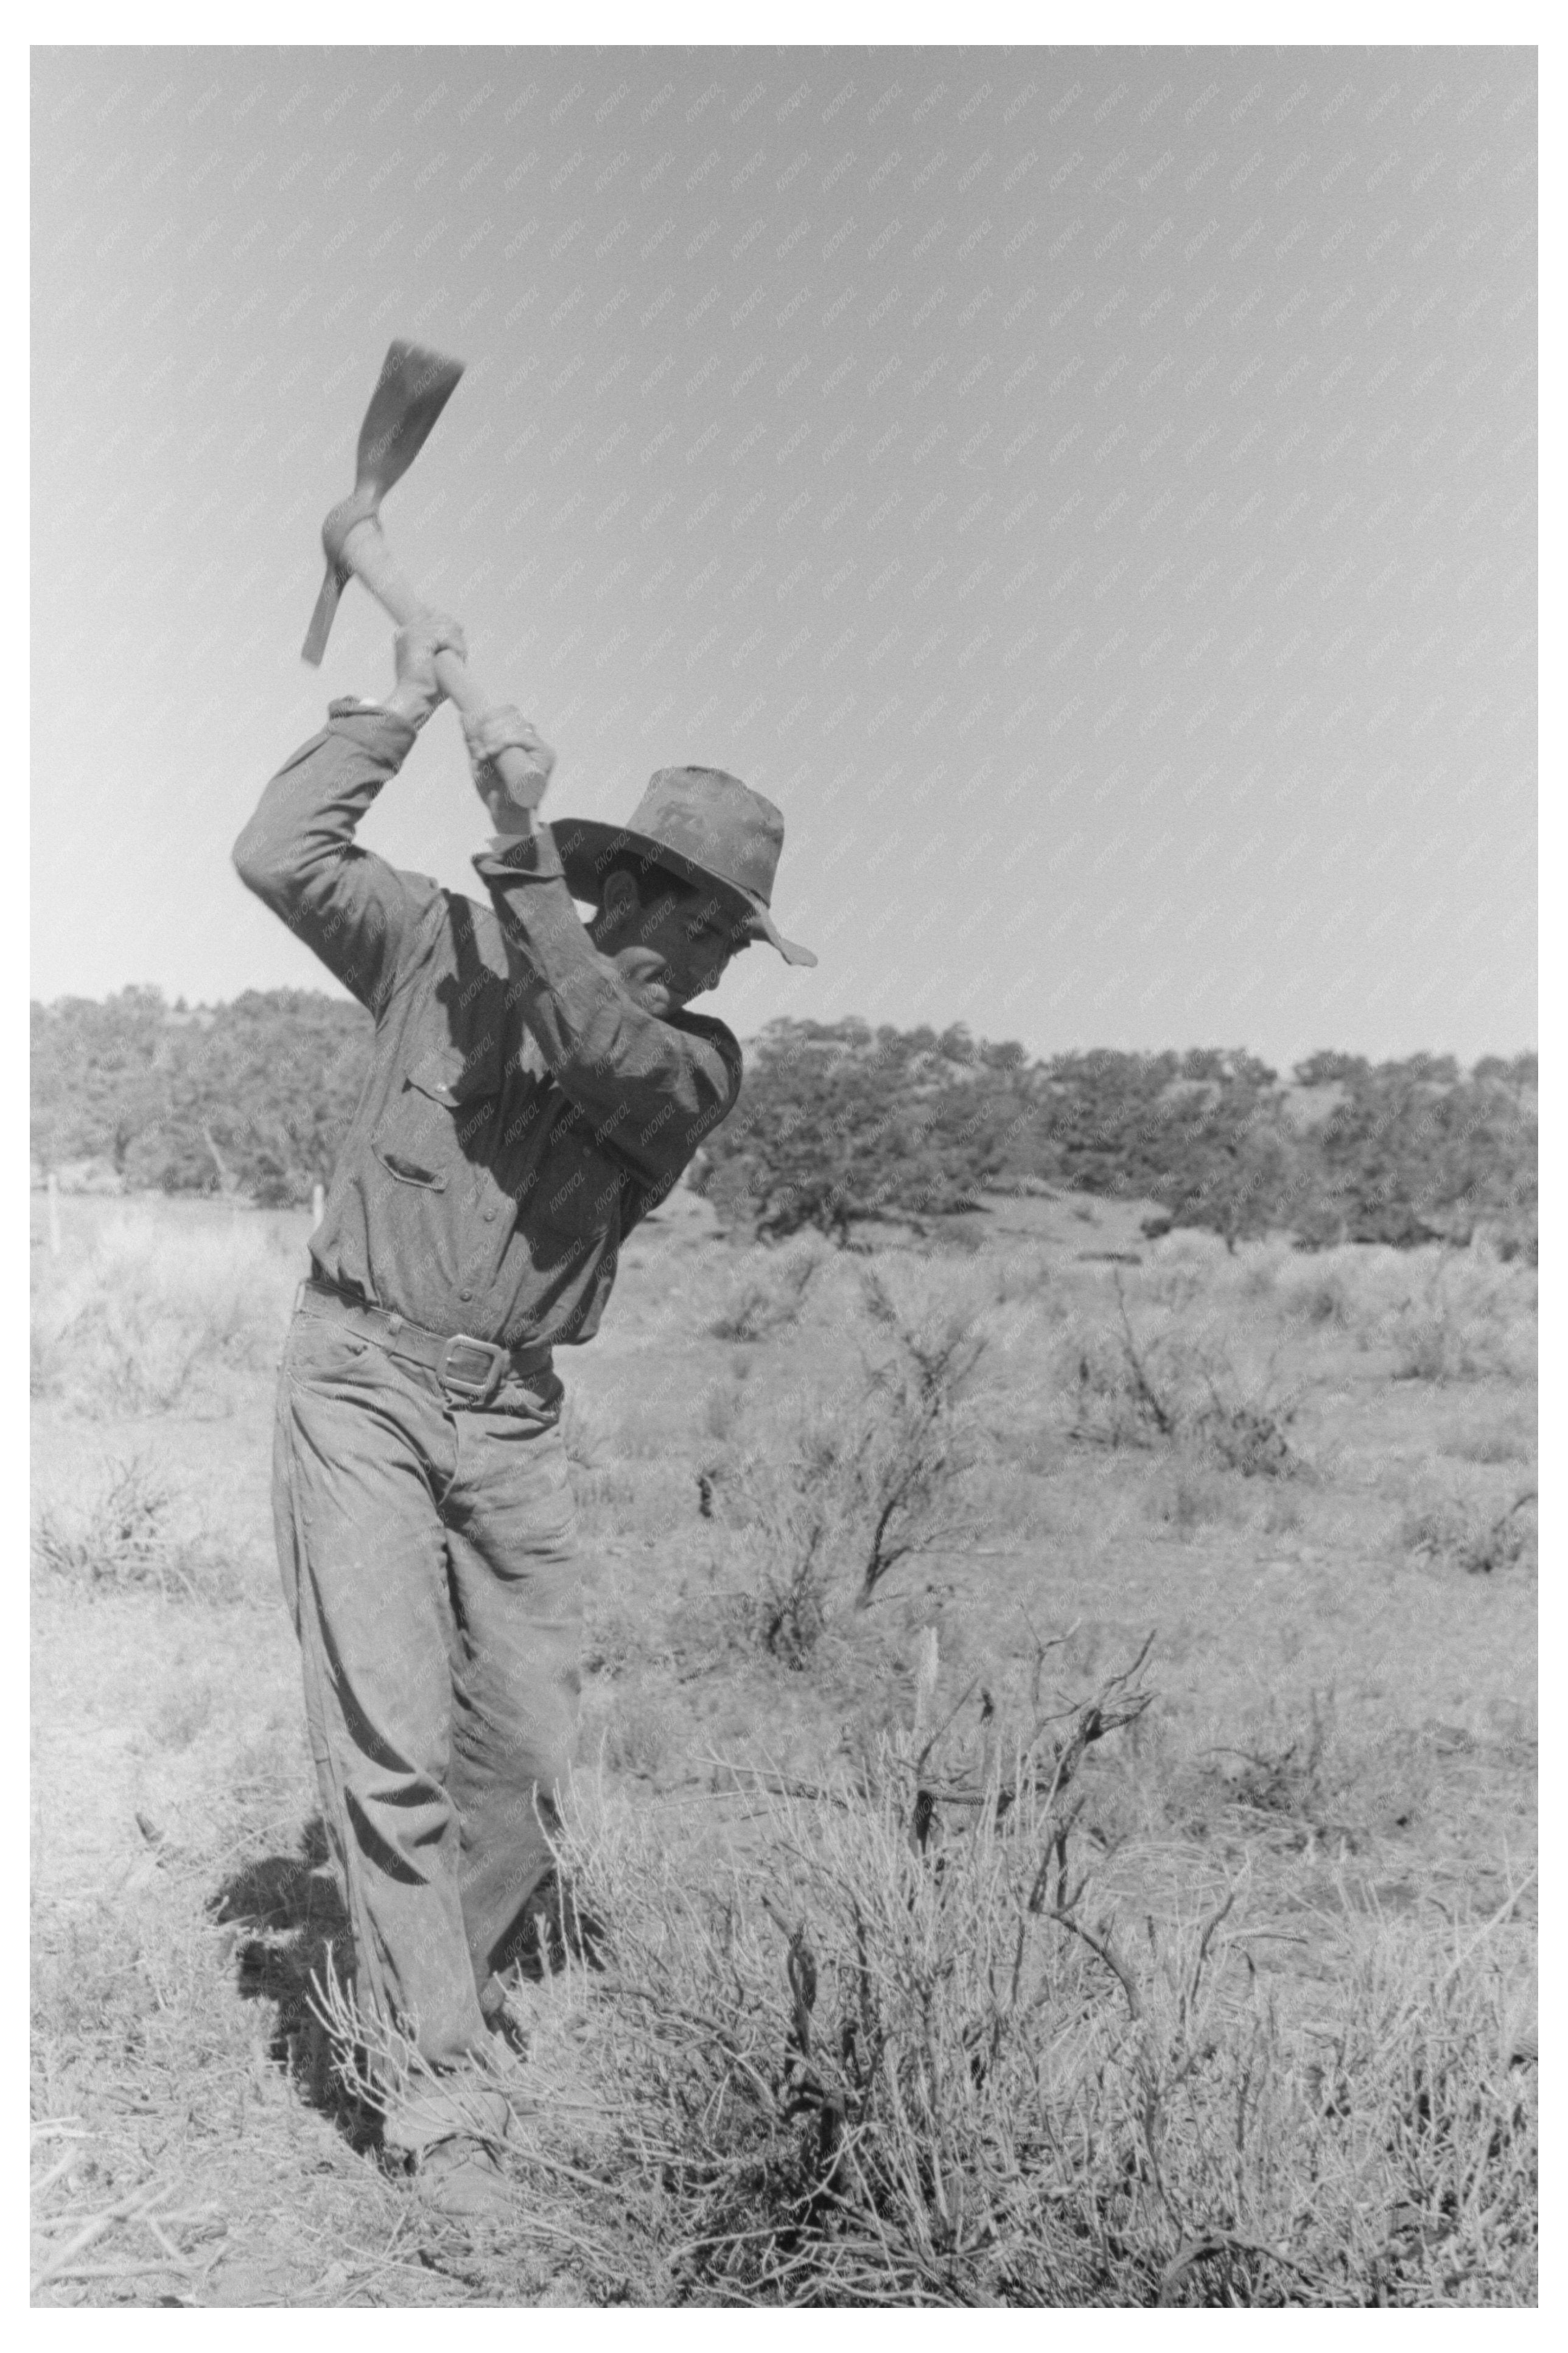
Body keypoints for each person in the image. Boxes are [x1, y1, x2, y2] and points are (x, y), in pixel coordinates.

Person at [233, 612, 814, 2216]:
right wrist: (406, 709)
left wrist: (519, 852)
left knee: (523, 1749)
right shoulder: (435, 947)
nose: (715, 970)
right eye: (708, 932)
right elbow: (280, 850)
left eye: (730, 954)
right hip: (358, 1378)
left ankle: (419, 1971)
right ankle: (434, 2075)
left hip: (510, 1420)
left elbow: (593, 1038)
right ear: (634, 892)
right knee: (391, 1736)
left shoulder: (693, 1064)